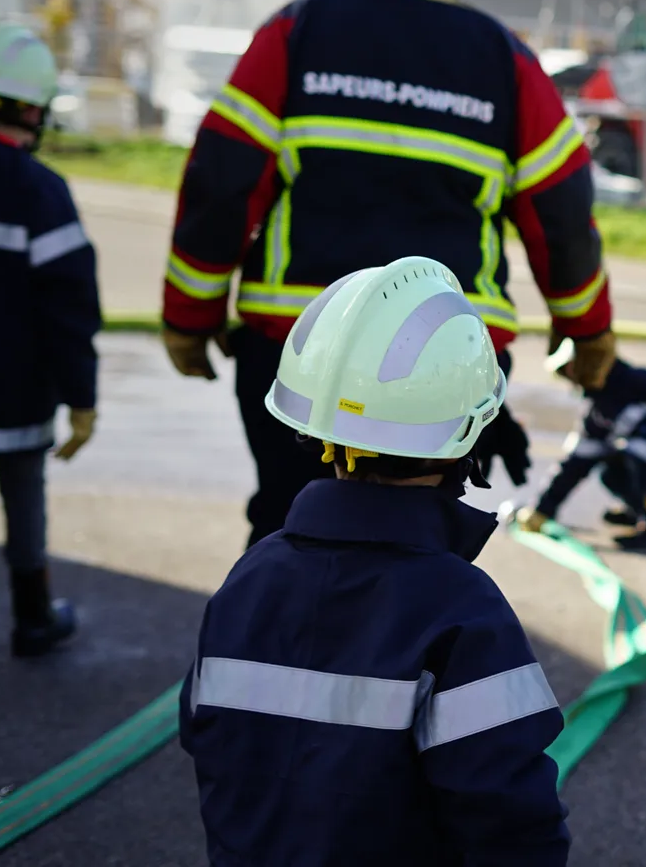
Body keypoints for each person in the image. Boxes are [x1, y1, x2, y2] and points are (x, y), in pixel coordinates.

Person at [161, 0, 615, 547]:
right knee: (426, 550)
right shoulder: (507, 62)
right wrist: (588, 333)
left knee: (288, 535)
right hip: (450, 367)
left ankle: (259, 651)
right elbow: (562, 215)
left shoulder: (297, 32)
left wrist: (189, 317)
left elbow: (221, 182)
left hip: (298, 352)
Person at [179, 257, 570, 865]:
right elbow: (509, 819)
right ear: (466, 436)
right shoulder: (463, 610)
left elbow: (212, 742)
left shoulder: (249, 581)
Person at [0, 23, 99, 657]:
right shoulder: (40, 192)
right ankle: (33, 615)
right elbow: (70, 311)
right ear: (32, 107)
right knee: (23, 499)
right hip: (15, 398)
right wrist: (81, 400)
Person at [512, 341, 646, 550]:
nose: (571, 377)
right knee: (610, 470)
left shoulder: (639, 388)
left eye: (572, 369)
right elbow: (578, 460)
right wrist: (542, 511)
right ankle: (639, 512)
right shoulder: (602, 408)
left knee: (634, 452)